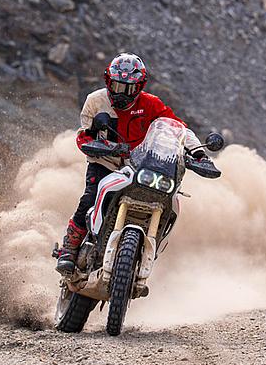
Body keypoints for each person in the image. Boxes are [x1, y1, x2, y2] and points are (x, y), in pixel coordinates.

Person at [56, 52, 214, 274]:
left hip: (141, 165)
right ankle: (69, 250)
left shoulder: (151, 104)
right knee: (89, 198)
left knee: (169, 197)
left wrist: (199, 154)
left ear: (139, 87)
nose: (122, 93)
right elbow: (84, 136)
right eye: (117, 86)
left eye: (128, 88)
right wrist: (103, 146)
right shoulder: (95, 101)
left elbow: (178, 128)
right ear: (108, 82)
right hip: (105, 162)